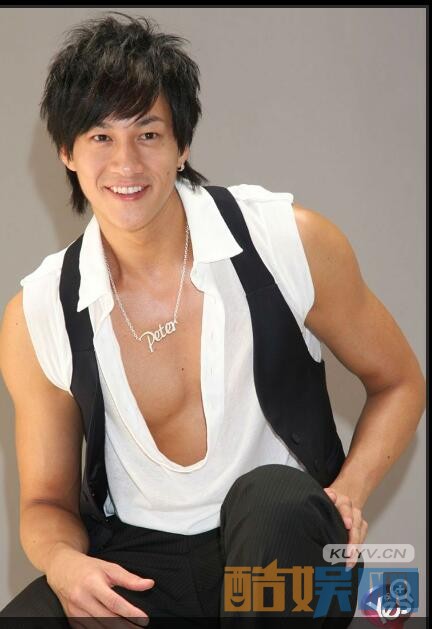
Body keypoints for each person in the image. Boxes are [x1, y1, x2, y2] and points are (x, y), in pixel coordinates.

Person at [0, 11, 426, 628]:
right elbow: (45, 501)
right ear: (66, 151)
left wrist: (349, 492)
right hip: (139, 568)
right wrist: (65, 563)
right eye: (99, 137)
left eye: (148, 133)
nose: (126, 163)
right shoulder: (38, 311)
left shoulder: (285, 241)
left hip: (281, 552)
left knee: (273, 498)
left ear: (183, 146)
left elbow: (401, 382)